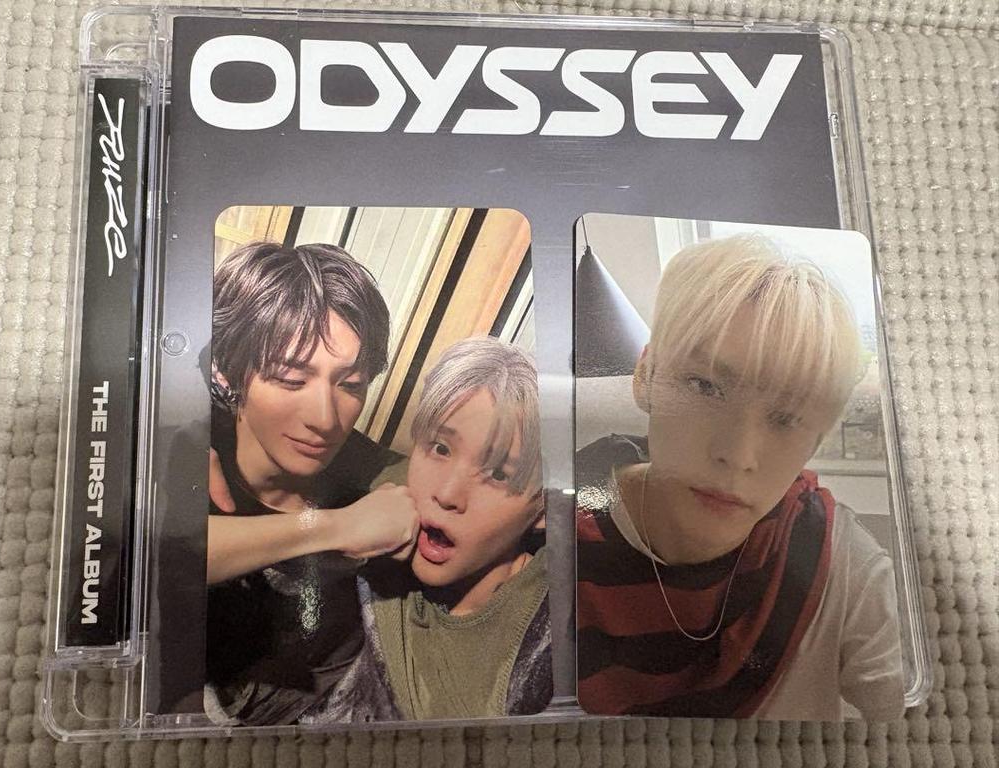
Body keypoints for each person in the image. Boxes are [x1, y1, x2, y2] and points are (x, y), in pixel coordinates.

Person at [576, 234, 905, 721]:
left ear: (816, 441)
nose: (737, 455)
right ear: (645, 375)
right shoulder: (544, 537)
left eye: (787, 418)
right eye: (705, 386)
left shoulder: (844, 567)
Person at [203, 242, 419, 726]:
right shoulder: (186, 442)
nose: (324, 418)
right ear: (227, 373)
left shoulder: (372, 472)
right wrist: (337, 528)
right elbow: (157, 556)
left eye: (350, 384)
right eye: (290, 379)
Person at [314, 336, 552, 722]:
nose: (446, 494)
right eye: (441, 449)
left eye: (497, 474)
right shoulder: (394, 488)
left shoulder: (547, 634)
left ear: (542, 507)